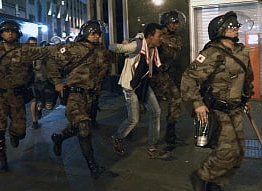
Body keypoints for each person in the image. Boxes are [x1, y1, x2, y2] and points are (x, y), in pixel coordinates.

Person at [180, 11, 254, 191]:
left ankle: (216, 183)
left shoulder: (242, 50)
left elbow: (247, 78)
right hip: (218, 109)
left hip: (236, 108)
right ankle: (201, 175)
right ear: (219, 30)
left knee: (239, 153)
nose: (236, 28)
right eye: (231, 26)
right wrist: (197, 103)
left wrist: (248, 98)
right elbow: (189, 78)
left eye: (237, 25)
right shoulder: (212, 53)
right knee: (227, 151)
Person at [0, 20, 52, 172]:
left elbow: (46, 51)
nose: (10, 33)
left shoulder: (25, 49)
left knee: (20, 131)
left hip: (17, 96)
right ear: (1, 34)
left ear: (18, 34)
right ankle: (1, 159)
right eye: (6, 31)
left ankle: (15, 135)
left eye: (13, 31)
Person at [49, 20, 110, 179]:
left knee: (79, 126)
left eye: (98, 33)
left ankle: (59, 138)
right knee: (83, 127)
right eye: (92, 33)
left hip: (90, 96)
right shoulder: (73, 48)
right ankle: (92, 166)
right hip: (74, 95)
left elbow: (110, 62)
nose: (95, 36)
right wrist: (57, 82)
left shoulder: (102, 51)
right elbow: (52, 59)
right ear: (85, 33)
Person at [109, 23, 170, 159]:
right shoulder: (137, 45)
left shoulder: (153, 48)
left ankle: (152, 148)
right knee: (134, 119)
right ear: (150, 36)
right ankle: (117, 137)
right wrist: (122, 45)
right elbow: (115, 48)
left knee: (156, 111)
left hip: (142, 84)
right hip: (130, 86)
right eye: (159, 36)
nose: (161, 39)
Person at [150, 10, 183, 144]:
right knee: (141, 105)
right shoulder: (155, 33)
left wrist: (161, 43)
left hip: (162, 74)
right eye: (172, 22)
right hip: (150, 74)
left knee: (176, 99)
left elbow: (173, 54)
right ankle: (128, 129)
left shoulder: (176, 38)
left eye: (176, 23)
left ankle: (170, 131)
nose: (175, 25)